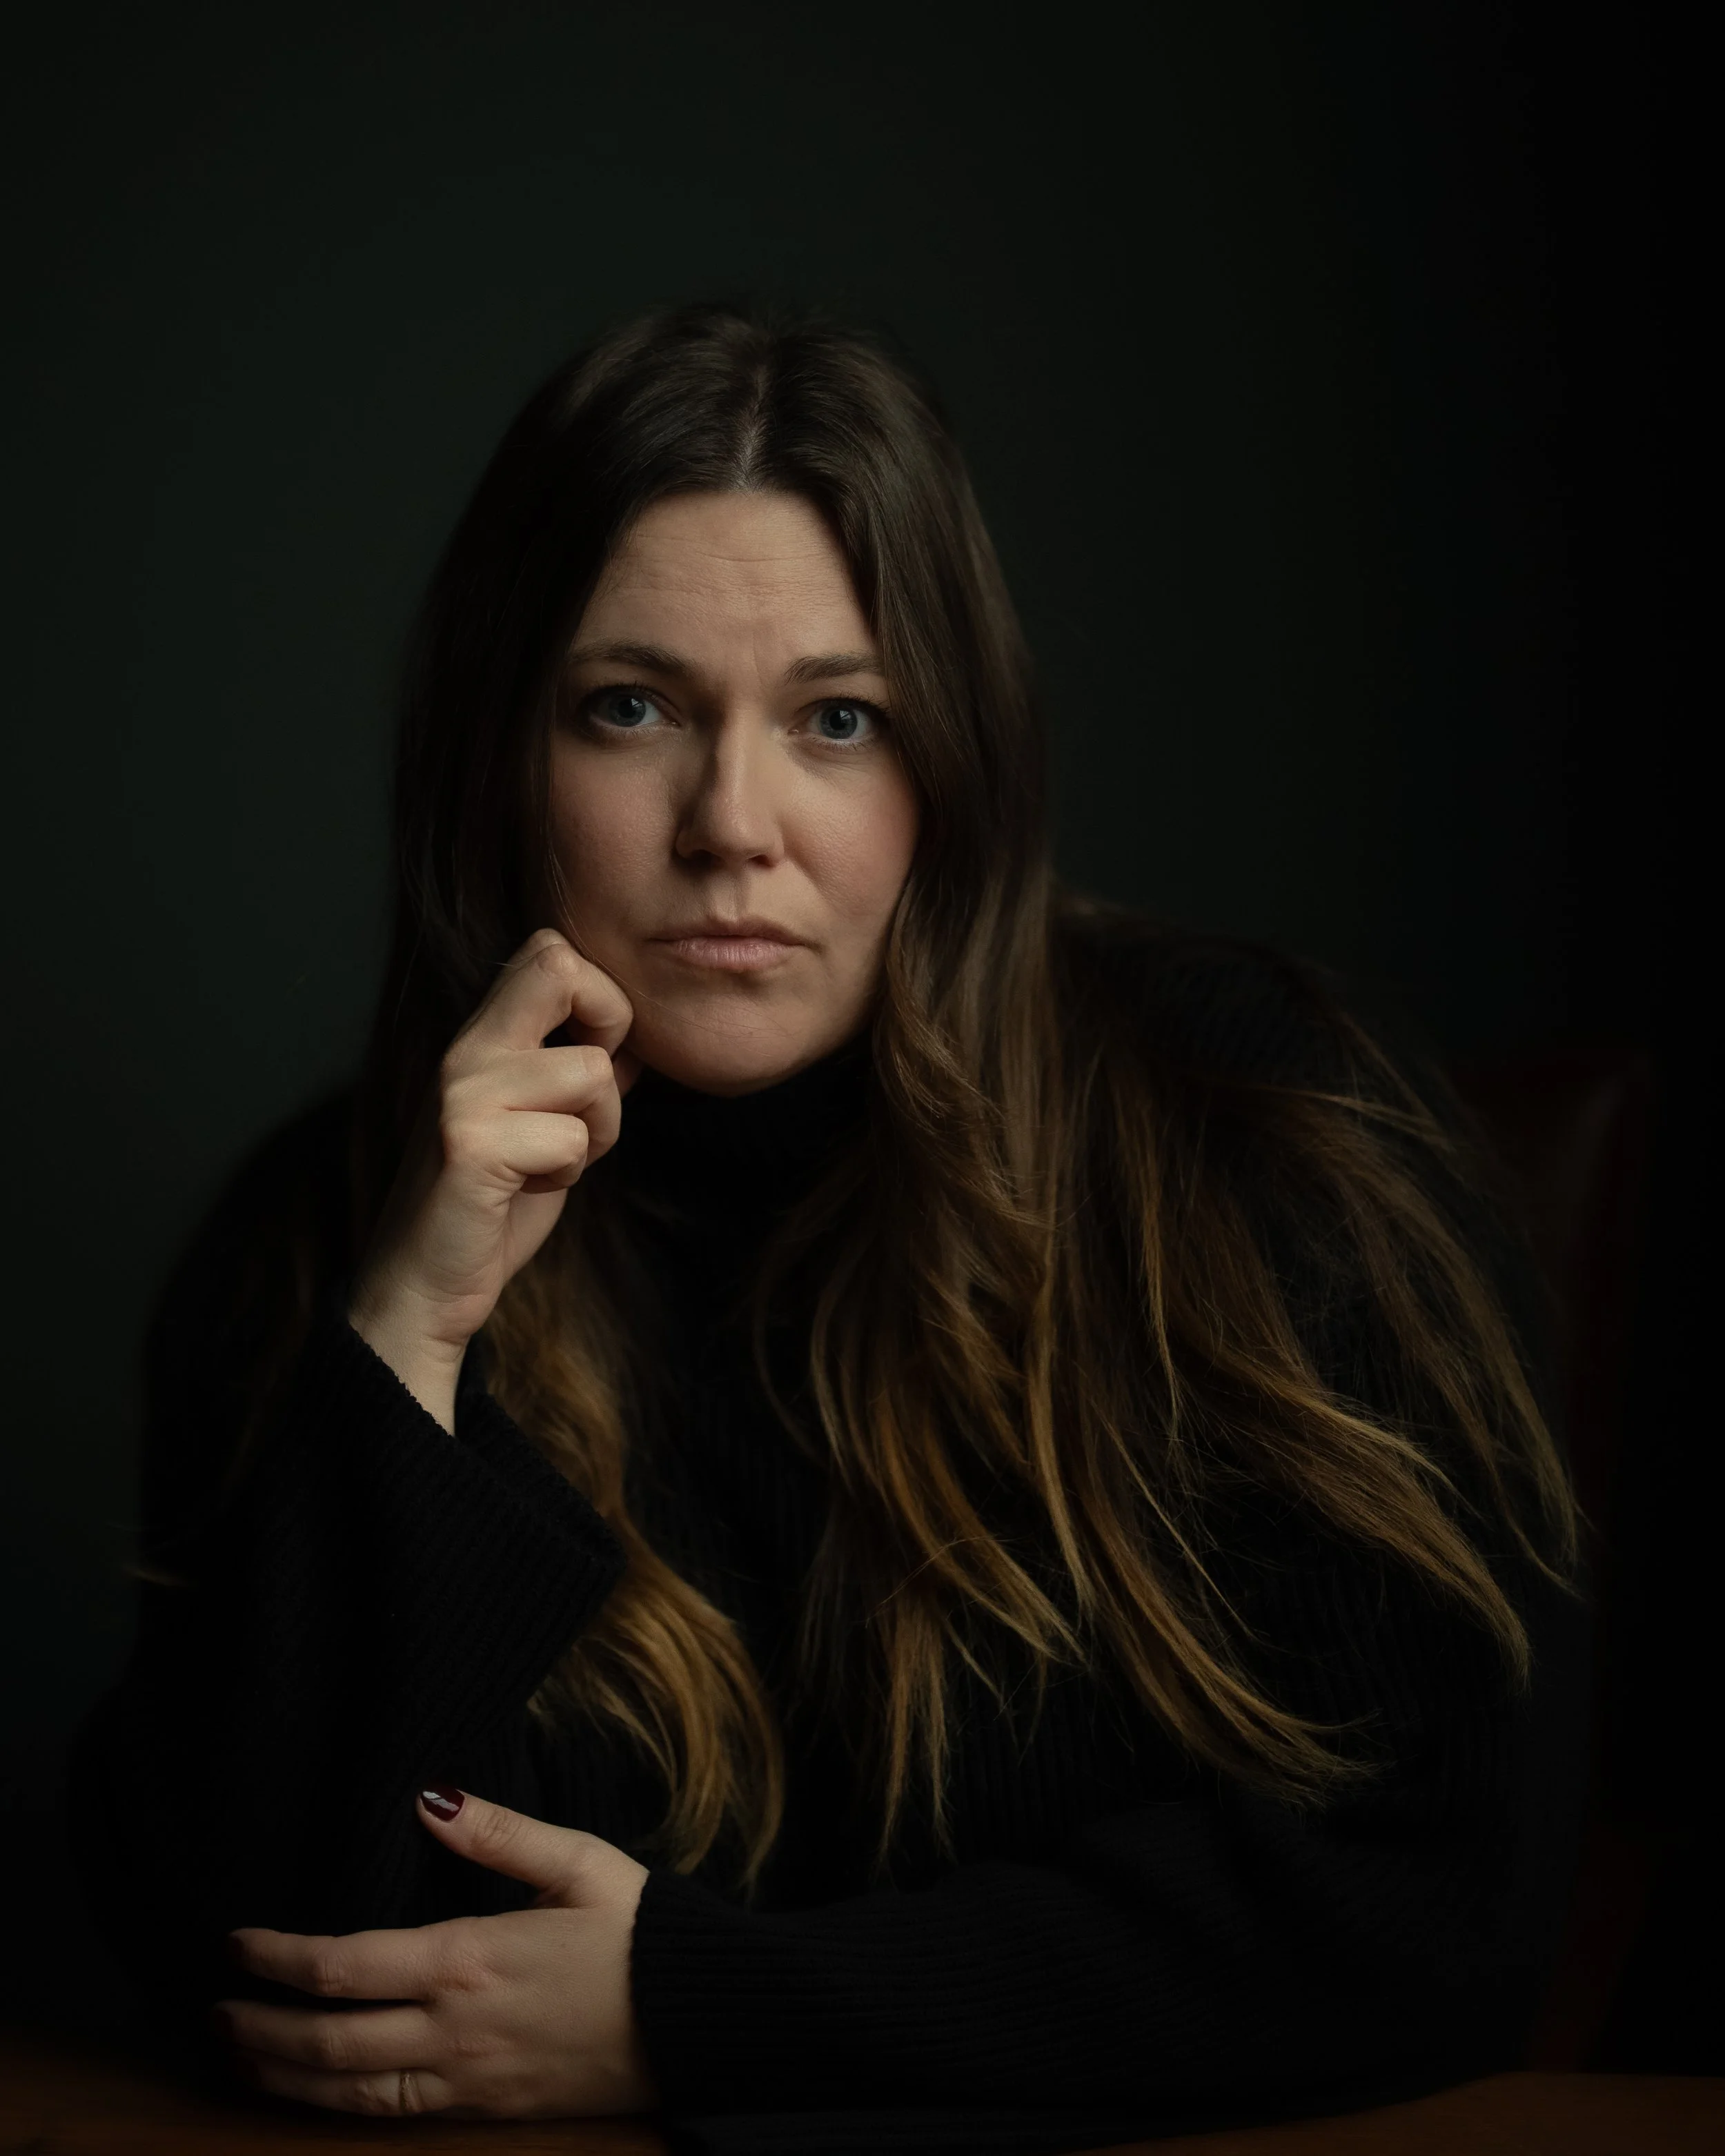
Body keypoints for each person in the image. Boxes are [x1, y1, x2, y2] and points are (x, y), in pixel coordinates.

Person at [68, 304, 1590, 2156]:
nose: (731, 825)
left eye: (835, 719)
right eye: (628, 708)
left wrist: (702, 2008)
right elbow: (295, 1979)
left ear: (949, 769)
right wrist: (408, 1342)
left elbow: (1440, 1902)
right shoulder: (327, 1241)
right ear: (498, 755)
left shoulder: (1271, 1131)